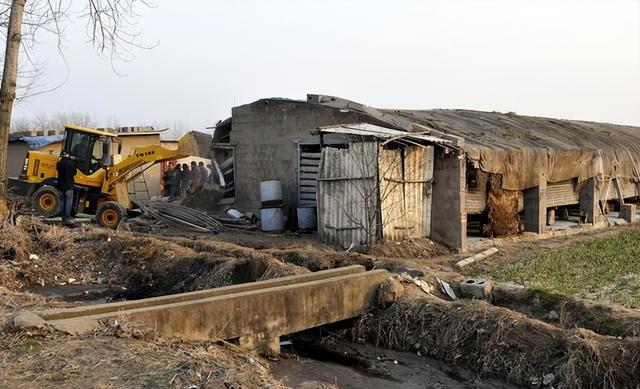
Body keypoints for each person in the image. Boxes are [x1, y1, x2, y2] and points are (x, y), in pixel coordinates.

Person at [56, 151, 77, 224]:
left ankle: (61, 215)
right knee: (69, 201)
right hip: (69, 185)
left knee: (62, 200)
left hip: (60, 185)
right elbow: (74, 173)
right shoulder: (72, 163)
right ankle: (67, 216)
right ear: (68, 155)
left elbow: (58, 171)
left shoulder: (59, 163)